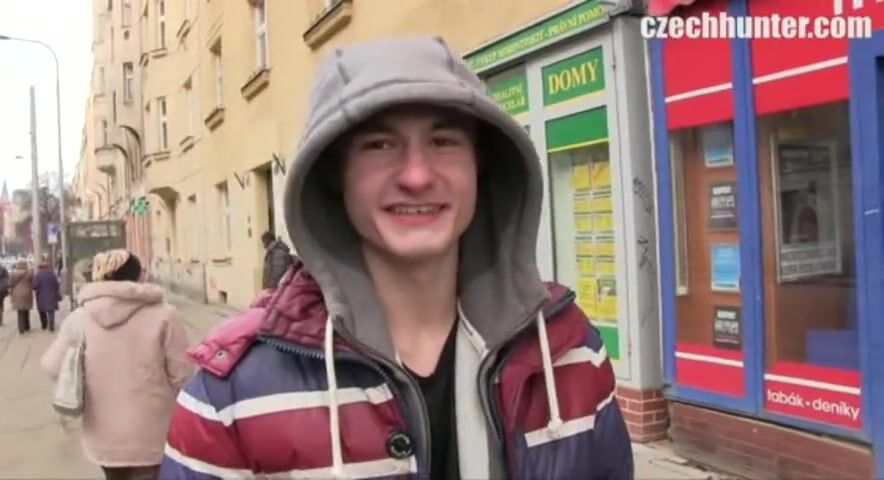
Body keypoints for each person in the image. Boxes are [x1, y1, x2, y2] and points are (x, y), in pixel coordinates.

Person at [161, 37, 632, 479]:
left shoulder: (569, 351)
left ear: (480, 168)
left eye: (444, 141)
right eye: (379, 145)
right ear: (334, 177)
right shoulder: (231, 397)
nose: (417, 176)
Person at [40, 249, 193, 480]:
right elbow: (184, 376)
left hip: (103, 437)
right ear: (138, 276)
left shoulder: (80, 318)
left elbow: (52, 366)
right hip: (153, 435)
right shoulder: (165, 315)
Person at [32, 259, 62, 331]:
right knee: (51, 310)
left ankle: (44, 325)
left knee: (42, 310)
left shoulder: (38, 275)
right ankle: (51, 325)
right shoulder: (52, 274)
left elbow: (35, 286)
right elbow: (56, 284)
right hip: (52, 294)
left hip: (41, 295)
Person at [9, 260, 34, 334]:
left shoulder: (13, 273)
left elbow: (10, 284)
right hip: (27, 293)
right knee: (26, 310)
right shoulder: (29, 273)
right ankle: (27, 327)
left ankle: (21, 329)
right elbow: (32, 282)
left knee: (20, 312)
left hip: (17, 293)